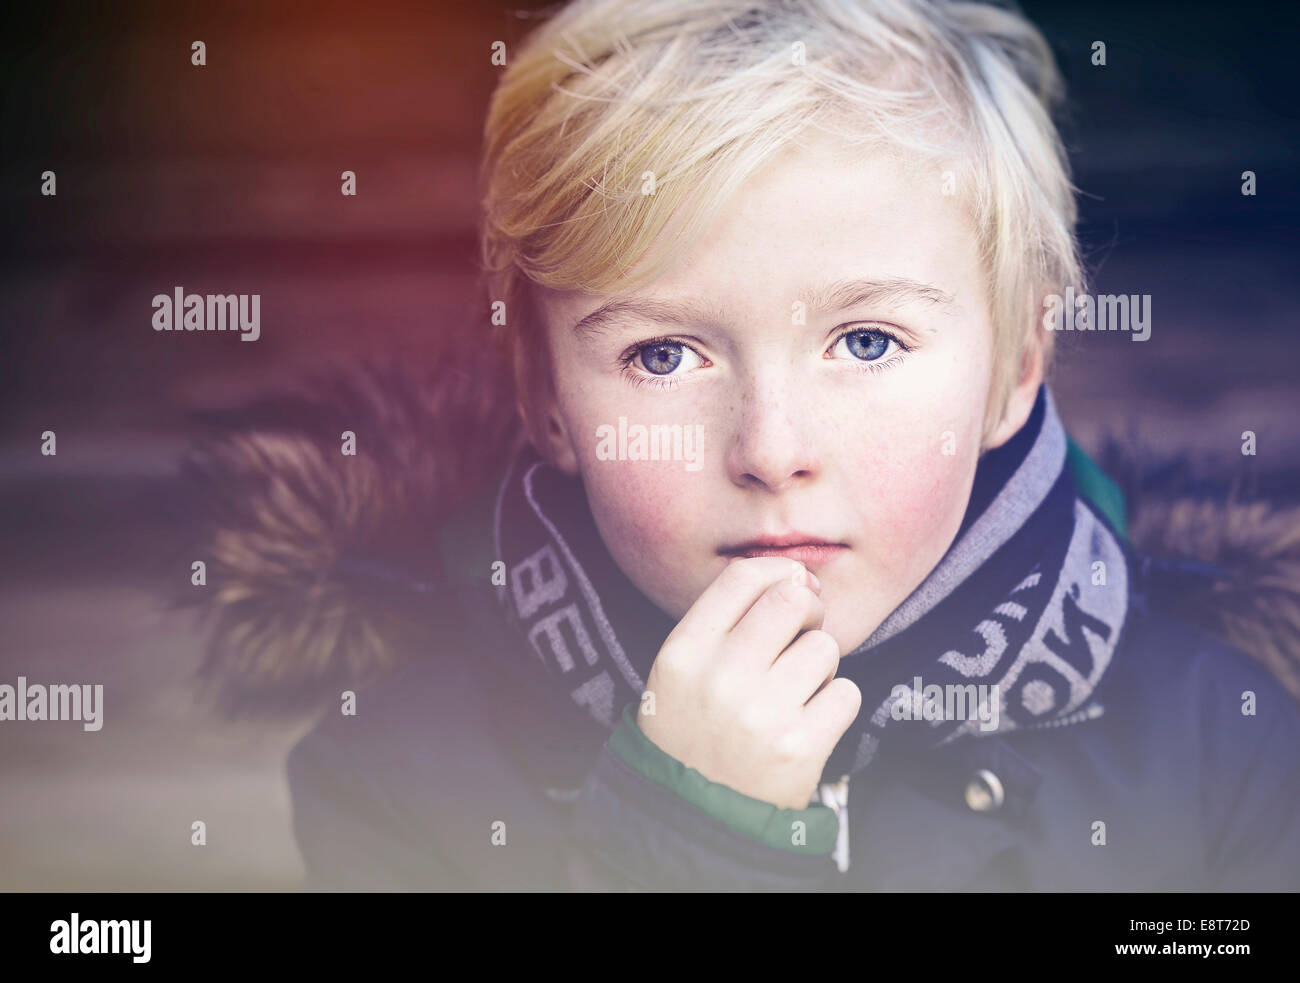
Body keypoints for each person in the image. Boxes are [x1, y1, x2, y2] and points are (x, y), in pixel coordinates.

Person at [187, 0, 1300, 890]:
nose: (771, 449)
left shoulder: (1222, 752)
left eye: (866, 340)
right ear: (543, 399)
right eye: (665, 355)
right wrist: (686, 836)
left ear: (1014, 368)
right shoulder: (393, 778)